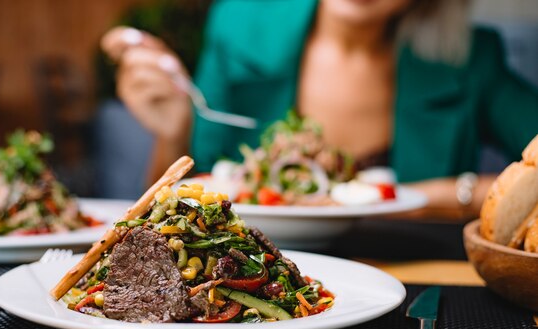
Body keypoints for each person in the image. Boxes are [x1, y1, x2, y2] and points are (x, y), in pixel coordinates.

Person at [100, 0, 538, 218]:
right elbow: (173, 207)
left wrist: (445, 197)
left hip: (419, 286)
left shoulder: (470, 58)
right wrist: (174, 133)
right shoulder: (238, 27)